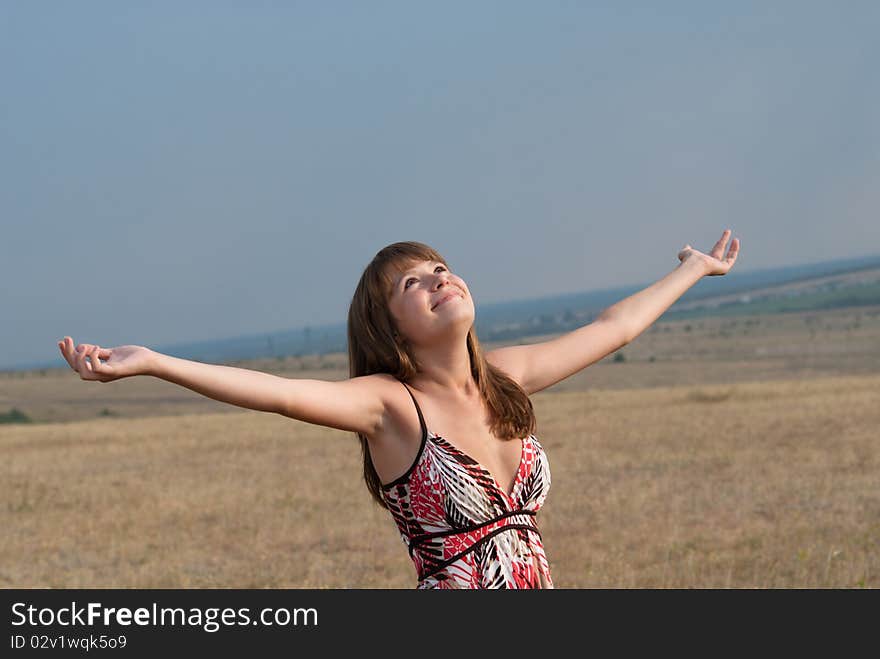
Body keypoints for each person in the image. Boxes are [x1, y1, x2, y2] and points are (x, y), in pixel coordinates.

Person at [58, 230, 740, 589]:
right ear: (389, 330)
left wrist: (694, 267)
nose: (438, 278)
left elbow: (614, 327)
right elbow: (271, 390)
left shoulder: (507, 378)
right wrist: (152, 361)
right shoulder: (391, 407)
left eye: (440, 267)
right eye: (413, 283)